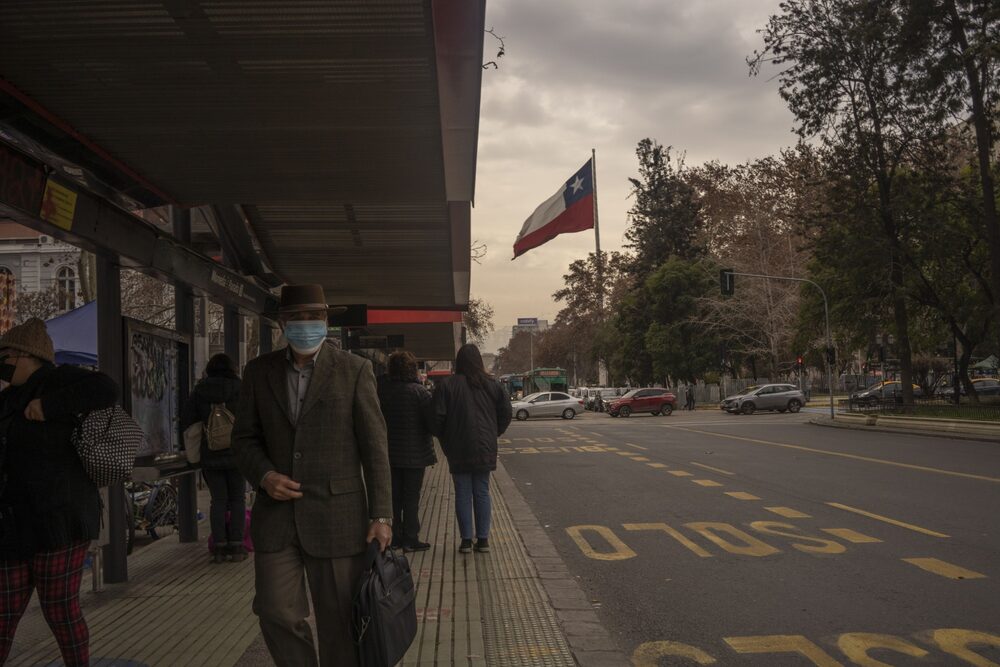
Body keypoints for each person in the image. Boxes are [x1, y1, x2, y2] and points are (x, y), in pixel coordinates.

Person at [232, 284, 392, 667]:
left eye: (314, 317)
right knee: (275, 610)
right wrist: (265, 475)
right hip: (276, 516)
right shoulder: (258, 372)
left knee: (339, 623)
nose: (306, 325)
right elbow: (243, 439)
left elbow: (375, 447)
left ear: (325, 321)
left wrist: (382, 515)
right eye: (297, 318)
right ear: (282, 323)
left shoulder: (355, 370)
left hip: (338, 517)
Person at [0, 318, 118, 666]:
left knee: (59, 607)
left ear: (26, 355)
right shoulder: (7, 399)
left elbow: (107, 389)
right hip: (13, 523)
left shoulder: (60, 380)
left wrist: (49, 407)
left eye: (4, 355)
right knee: (3, 612)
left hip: (60, 519)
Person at [432, 344, 512, 554]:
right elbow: (506, 413)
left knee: (462, 492)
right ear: (479, 361)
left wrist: (445, 438)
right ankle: (483, 539)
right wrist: (494, 433)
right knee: (482, 491)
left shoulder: (447, 385)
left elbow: (437, 418)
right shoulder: (492, 385)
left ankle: (466, 540)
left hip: (457, 446)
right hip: (485, 446)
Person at [182, 353, 245, 564]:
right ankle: (236, 546)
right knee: (237, 499)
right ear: (232, 369)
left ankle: (219, 546)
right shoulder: (240, 388)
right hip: (237, 453)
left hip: (210, 453)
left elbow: (189, 422)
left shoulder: (200, 390)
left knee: (218, 500)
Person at [377, 351, 436, 552]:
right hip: (415, 455)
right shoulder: (419, 392)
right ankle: (411, 538)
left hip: (389, 454)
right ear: (412, 369)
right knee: (411, 497)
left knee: (393, 497)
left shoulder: (381, 390)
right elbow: (432, 423)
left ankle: (394, 537)